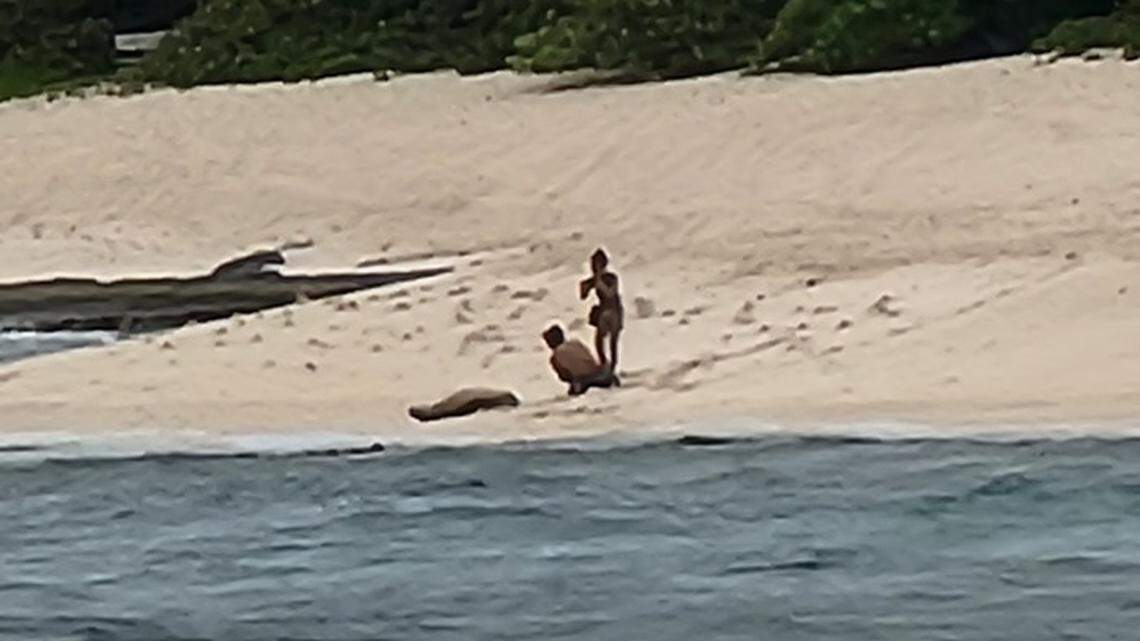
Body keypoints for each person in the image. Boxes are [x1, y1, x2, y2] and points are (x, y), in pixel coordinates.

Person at [578, 248, 624, 371]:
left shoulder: (611, 278)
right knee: (600, 341)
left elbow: (610, 293)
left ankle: (612, 366)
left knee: (612, 342)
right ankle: (604, 364)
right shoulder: (595, 280)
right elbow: (583, 296)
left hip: (613, 310)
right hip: (605, 311)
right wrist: (586, 285)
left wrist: (598, 282)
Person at [542, 324, 619, 396]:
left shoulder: (555, 356)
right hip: (600, 373)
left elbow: (564, 376)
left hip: (584, 382)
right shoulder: (575, 343)